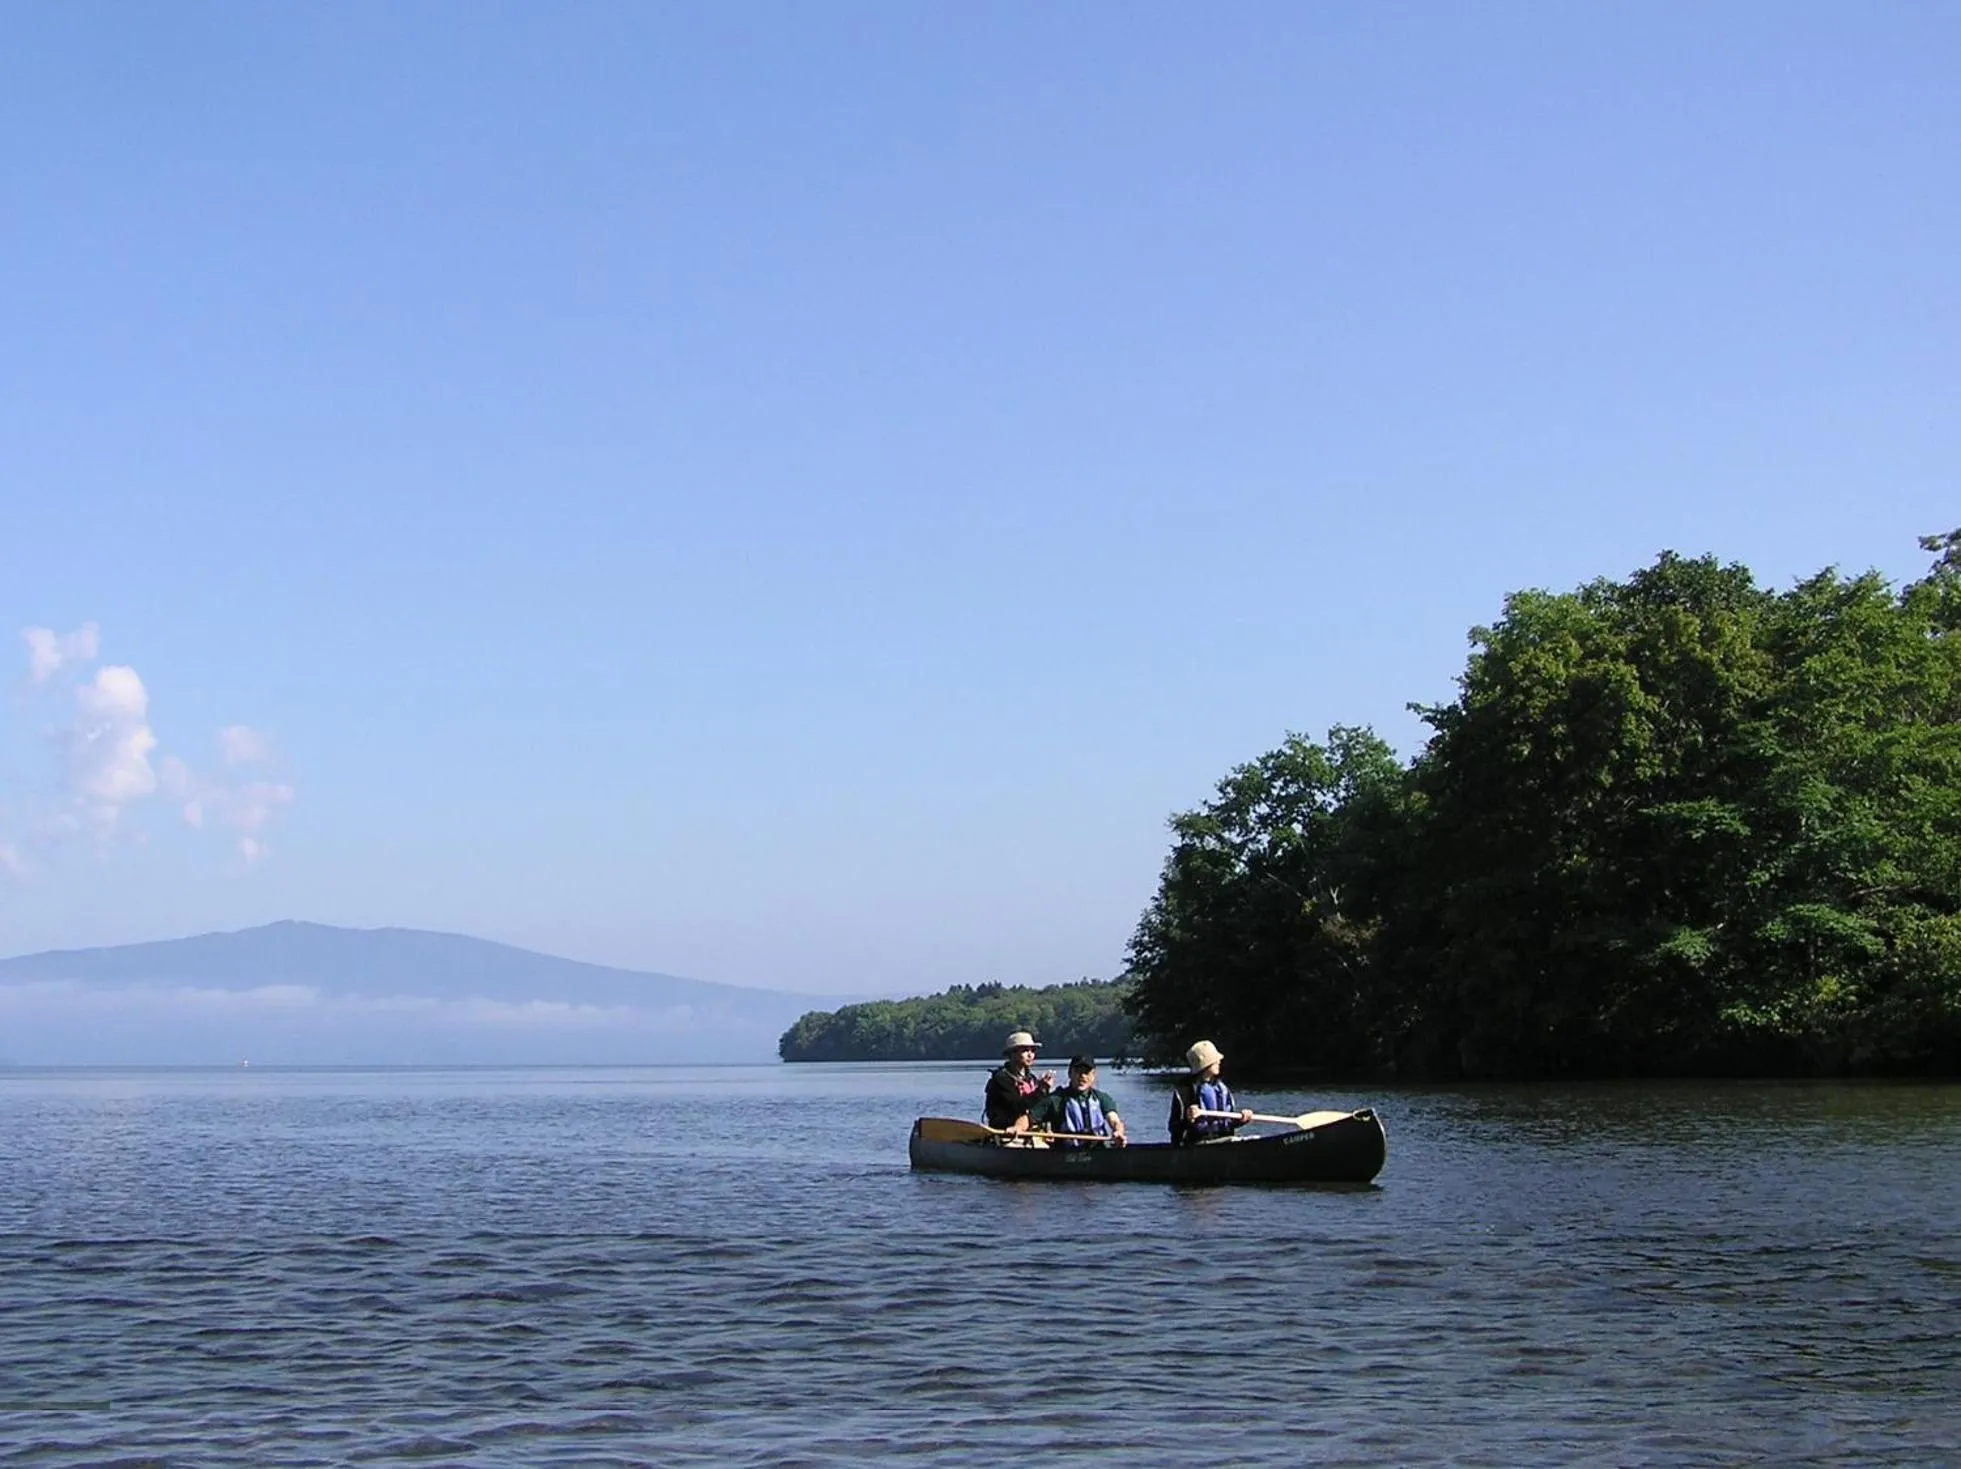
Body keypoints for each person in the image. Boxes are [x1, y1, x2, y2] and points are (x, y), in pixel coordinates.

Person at [1020, 1055, 1127, 1147]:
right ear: (1070, 1073)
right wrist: (1018, 1127)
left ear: (1093, 1075)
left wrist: (1118, 1131)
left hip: (1097, 1151)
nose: (1082, 1077)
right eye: (1078, 1072)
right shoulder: (1055, 1099)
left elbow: (1114, 1120)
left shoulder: (1102, 1098)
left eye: (1086, 1072)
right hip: (1065, 1153)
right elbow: (1028, 1119)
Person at [1167, 1039, 1253, 1146]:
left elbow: (1229, 1122)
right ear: (1205, 1064)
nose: (1219, 1061)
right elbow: (1174, 1128)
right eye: (1215, 1060)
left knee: (1247, 1139)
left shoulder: (1221, 1088)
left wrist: (1241, 1119)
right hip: (1196, 1144)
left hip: (1224, 1141)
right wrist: (1189, 1119)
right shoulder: (1185, 1090)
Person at [983, 1030, 1055, 1130]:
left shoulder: (1031, 1078)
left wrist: (1045, 1090)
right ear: (1012, 1053)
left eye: (1033, 1051)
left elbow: (1041, 1107)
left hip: (1030, 1131)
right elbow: (1017, 1106)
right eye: (1025, 1050)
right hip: (1006, 1131)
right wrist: (1040, 1090)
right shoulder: (1001, 1079)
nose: (1030, 1055)